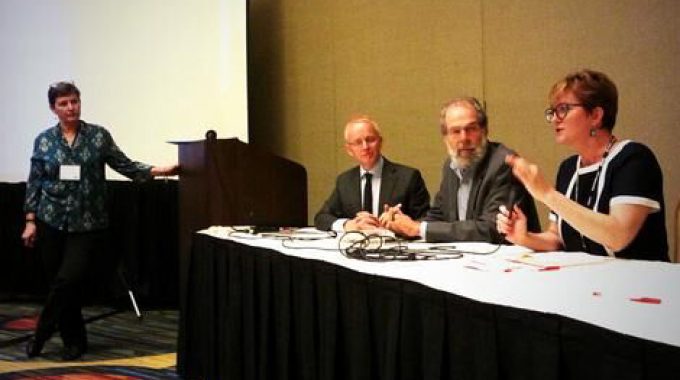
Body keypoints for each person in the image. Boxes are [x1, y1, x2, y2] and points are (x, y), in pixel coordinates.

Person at [21, 81, 179, 361]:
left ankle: (40, 334)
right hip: (51, 220)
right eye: (63, 103)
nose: (71, 108)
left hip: (88, 222)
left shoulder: (98, 136)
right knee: (60, 283)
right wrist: (31, 220)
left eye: (74, 101)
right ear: (53, 108)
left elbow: (125, 165)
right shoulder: (44, 140)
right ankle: (74, 341)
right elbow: (35, 181)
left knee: (67, 279)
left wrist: (158, 170)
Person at [496, 69, 668, 261]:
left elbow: (618, 237)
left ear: (595, 115)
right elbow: (557, 238)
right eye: (553, 111)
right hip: (590, 281)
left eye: (563, 109)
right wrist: (524, 237)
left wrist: (546, 194)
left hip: (641, 283)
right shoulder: (569, 168)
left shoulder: (634, 159)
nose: (554, 118)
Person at [383, 97, 540, 242]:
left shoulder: (503, 164)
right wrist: (402, 223)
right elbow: (439, 215)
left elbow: (492, 229)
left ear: (484, 130)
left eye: (471, 129)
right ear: (445, 138)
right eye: (456, 131)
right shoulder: (451, 166)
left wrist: (418, 229)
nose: (464, 138)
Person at [314, 116, 430, 232]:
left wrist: (402, 222)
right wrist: (347, 225)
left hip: (396, 246)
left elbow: (427, 220)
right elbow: (322, 217)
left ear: (380, 142)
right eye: (358, 142)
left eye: (370, 140)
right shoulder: (345, 181)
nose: (365, 147)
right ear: (349, 150)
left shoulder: (408, 177)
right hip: (356, 247)